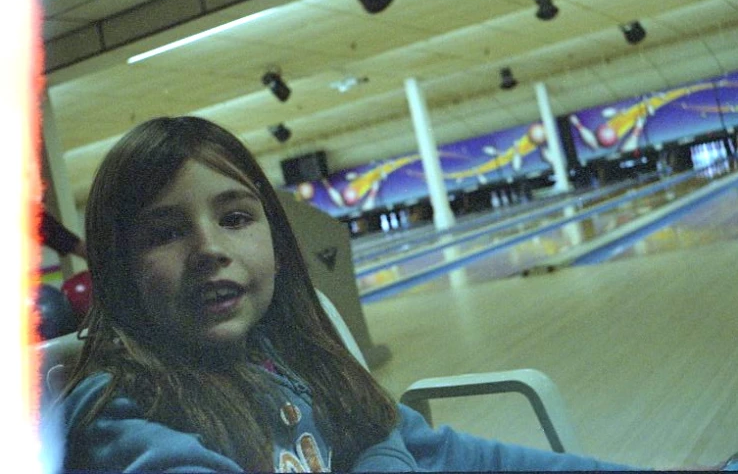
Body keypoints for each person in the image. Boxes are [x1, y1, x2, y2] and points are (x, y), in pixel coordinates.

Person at [58, 116, 737, 472]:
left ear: (276, 239)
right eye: (166, 232)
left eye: (236, 217)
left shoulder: (291, 361)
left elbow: (437, 449)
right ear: (117, 268)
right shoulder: (125, 416)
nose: (209, 247)